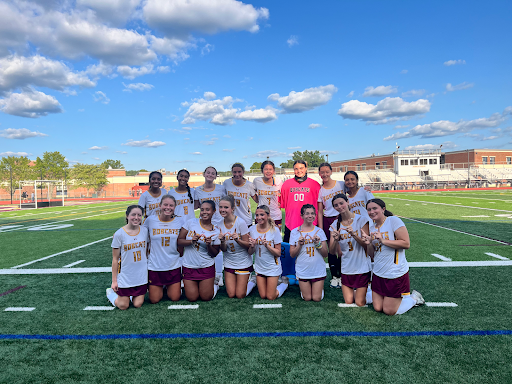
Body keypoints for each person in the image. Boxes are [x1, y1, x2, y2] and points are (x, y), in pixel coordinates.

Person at [361, 198, 425, 315]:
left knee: (389, 311)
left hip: (394, 272)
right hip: (378, 272)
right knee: (378, 308)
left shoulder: (393, 221)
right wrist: (369, 243)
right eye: (369, 209)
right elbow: (372, 255)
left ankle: (414, 298)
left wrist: (383, 240)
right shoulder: (372, 227)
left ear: (383, 209)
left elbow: (406, 243)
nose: (372, 211)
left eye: (375, 208)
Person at [329, 194, 371, 307]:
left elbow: (367, 246)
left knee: (359, 303)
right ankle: (366, 291)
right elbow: (332, 251)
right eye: (336, 205)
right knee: (348, 301)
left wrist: (354, 234)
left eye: (341, 203)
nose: (339, 206)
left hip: (362, 266)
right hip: (346, 267)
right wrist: (336, 240)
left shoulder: (362, 220)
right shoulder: (334, 225)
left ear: (348, 202)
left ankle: (373, 293)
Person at [143, 195, 184, 303]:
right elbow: (139, 233)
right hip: (155, 265)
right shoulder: (150, 220)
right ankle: (162, 286)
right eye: (165, 204)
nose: (168, 207)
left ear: (175, 207)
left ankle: (167, 286)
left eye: (171, 205)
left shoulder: (179, 221)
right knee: (154, 300)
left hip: (173, 265)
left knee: (175, 298)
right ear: (160, 205)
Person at [178, 200, 221, 302]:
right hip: (189, 266)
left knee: (206, 297)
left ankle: (215, 285)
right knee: (192, 298)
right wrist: (191, 241)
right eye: (202, 209)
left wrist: (208, 245)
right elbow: (179, 241)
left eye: (207, 209)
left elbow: (214, 254)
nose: (204, 212)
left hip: (206, 266)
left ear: (214, 211)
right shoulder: (191, 223)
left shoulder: (216, 230)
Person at [106, 205, 148, 310]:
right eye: (133, 214)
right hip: (126, 275)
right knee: (123, 306)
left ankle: (127, 296)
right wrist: (114, 281)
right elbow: (115, 259)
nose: (136, 217)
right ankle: (110, 294)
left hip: (141, 275)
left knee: (138, 304)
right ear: (127, 216)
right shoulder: (119, 234)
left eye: (139, 215)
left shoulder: (145, 231)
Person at [194, 166, 227, 285]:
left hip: (218, 221)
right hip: (204, 222)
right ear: (204, 174)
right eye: (208, 172)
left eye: (213, 173)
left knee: (217, 247)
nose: (210, 175)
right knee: (204, 247)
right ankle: (204, 272)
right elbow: (196, 205)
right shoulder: (198, 190)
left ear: (215, 176)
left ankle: (219, 275)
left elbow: (225, 203)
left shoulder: (221, 188)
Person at [218, 195, 255, 299]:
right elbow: (224, 250)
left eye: (226, 207)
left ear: (232, 209)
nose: (222, 210)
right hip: (229, 262)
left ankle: (253, 281)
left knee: (240, 295)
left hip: (243, 262)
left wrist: (237, 240)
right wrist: (222, 242)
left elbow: (248, 245)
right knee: (231, 294)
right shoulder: (219, 224)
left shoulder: (240, 223)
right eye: (221, 207)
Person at [248, 205, 288, 300]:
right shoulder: (252, 230)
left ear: (268, 215)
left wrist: (267, 246)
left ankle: (284, 284)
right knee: (263, 296)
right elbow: (250, 252)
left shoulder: (275, 230)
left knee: (271, 296)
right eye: (257, 215)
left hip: (272, 267)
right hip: (259, 266)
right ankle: (254, 281)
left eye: (262, 215)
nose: (259, 217)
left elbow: (278, 253)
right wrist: (252, 246)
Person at [289, 204, 328, 301]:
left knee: (316, 298)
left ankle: (318, 289)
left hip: (317, 269)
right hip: (303, 269)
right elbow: (292, 254)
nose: (310, 216)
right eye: (307, 214)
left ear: (315, 215)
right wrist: (299, 245)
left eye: (312, 213)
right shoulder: (295, 232)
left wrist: (318, 244)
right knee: (307, 298)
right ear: (302, 216)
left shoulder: (319, 231)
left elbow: (325, 254)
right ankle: (305, 289)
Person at [317, 162, 346, 289]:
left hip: (342, 219)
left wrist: (365, 189)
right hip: (328, 220)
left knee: (343, 249)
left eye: (327, 171)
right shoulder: (321, 190)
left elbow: (353, 189)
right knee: (332, 249)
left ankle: (344, 275)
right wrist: (321, 228)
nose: (325, 174)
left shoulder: (341, 184)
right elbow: (320, 211)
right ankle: (335, 276)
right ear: (319, 174)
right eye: (322, 172)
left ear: (331, 171)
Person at [280, 160, 321, 243]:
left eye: (301, 168)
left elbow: (320, 207)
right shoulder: (286, 184)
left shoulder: (315, 184)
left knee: (310, 252)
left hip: (310, 223)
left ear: (306, 168)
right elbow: (283, 204)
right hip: (291, 224)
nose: (299, 171)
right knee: (289, 253)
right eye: (296, 169)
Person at [223, 163, 257, 227]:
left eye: (239, 172)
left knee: (246, 237)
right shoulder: (227, 183)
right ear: (232, 172)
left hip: (246, 219)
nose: (237, 174)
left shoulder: (249, 185)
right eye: (234, 172)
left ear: (243, 172)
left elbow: (257, 200)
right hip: (231, 219)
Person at [253, 160, 283, 228]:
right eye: (266, 169)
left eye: (270, 169)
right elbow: (252, 192)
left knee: (275, 237)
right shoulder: (257, 181)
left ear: (274, 171)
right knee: (259, 237)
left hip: (275, 215)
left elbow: (284, 194)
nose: (268, 171)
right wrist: (257, 200)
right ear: (262, 171)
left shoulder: (278, 181)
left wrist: (281, 203)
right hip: (260, 214)